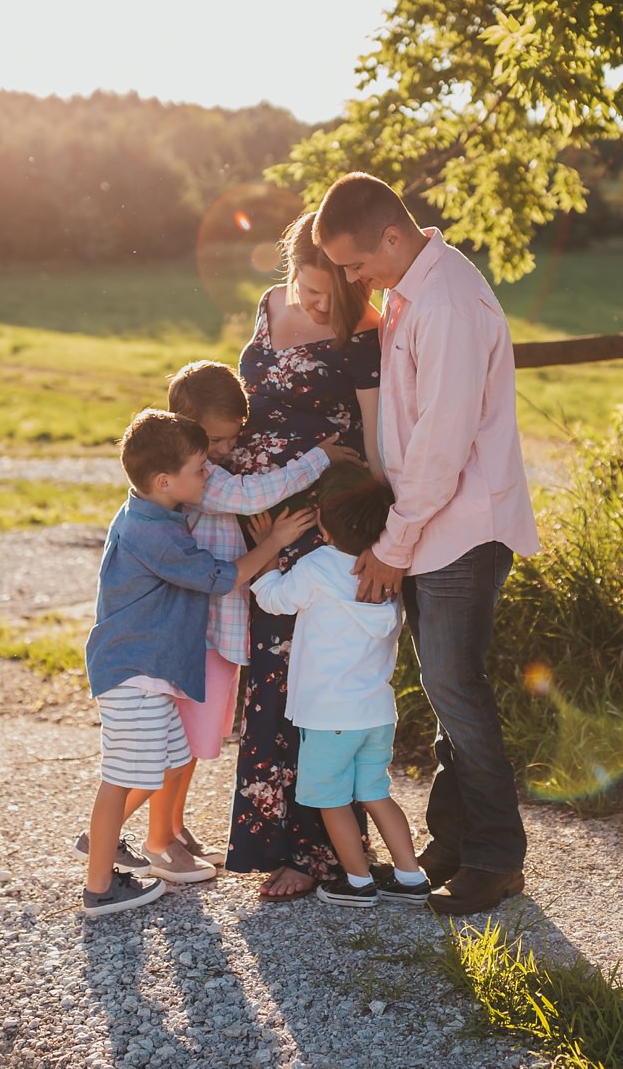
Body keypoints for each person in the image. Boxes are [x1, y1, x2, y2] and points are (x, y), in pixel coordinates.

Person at [313, 173, 540, 916]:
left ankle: (498, 858)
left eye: (353, 264)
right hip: (432, 528)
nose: (352, 280)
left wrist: (393, 545)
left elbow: (441, 448)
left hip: (459, 530)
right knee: (447, 692)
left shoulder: (444, 304)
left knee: (458, 692)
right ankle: (451, 840)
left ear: (390, 235)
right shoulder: (414, 288)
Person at [89, 360, 361, 882]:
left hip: (203, 631)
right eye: (213, 440)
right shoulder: (196, 484)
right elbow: (246, 504)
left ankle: (164, 830)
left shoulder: (184, 476)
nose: (222, 453)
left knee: (186, 744)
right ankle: (137, 839)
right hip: (197, 632)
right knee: (178, 745)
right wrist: (317, 461)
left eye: (228, 439)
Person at [80, 408, 314, 918]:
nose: (209, 476)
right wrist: (274, 542)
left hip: (148, 671)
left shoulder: (156, 511)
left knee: (164, 758)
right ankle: (99, 885)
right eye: (200, 469)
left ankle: (101, 841)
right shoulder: (154, 535)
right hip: (133, 672)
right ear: (165, 481)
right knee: (121, 776)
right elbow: (223, 577)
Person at [225, 210, 386, 900]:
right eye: (310, 289)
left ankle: (317, 850)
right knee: (267, 680)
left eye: (331, 293)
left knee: (315, 685)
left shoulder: (366, 329)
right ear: (293, 267)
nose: (320, 304)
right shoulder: (267, 306)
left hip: (325, 520)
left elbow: (376, 443)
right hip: (263, 519)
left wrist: (380, 531)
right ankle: (269, 838)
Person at [248, 462, 430, 908]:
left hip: (329, 716)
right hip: (375, 714)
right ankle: (411, 877)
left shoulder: (318, 566)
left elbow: (272, 597)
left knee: (331, 800)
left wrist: (268, 550)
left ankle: (358, 882)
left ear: (323, 525)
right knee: (375, 793)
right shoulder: (387, 574)